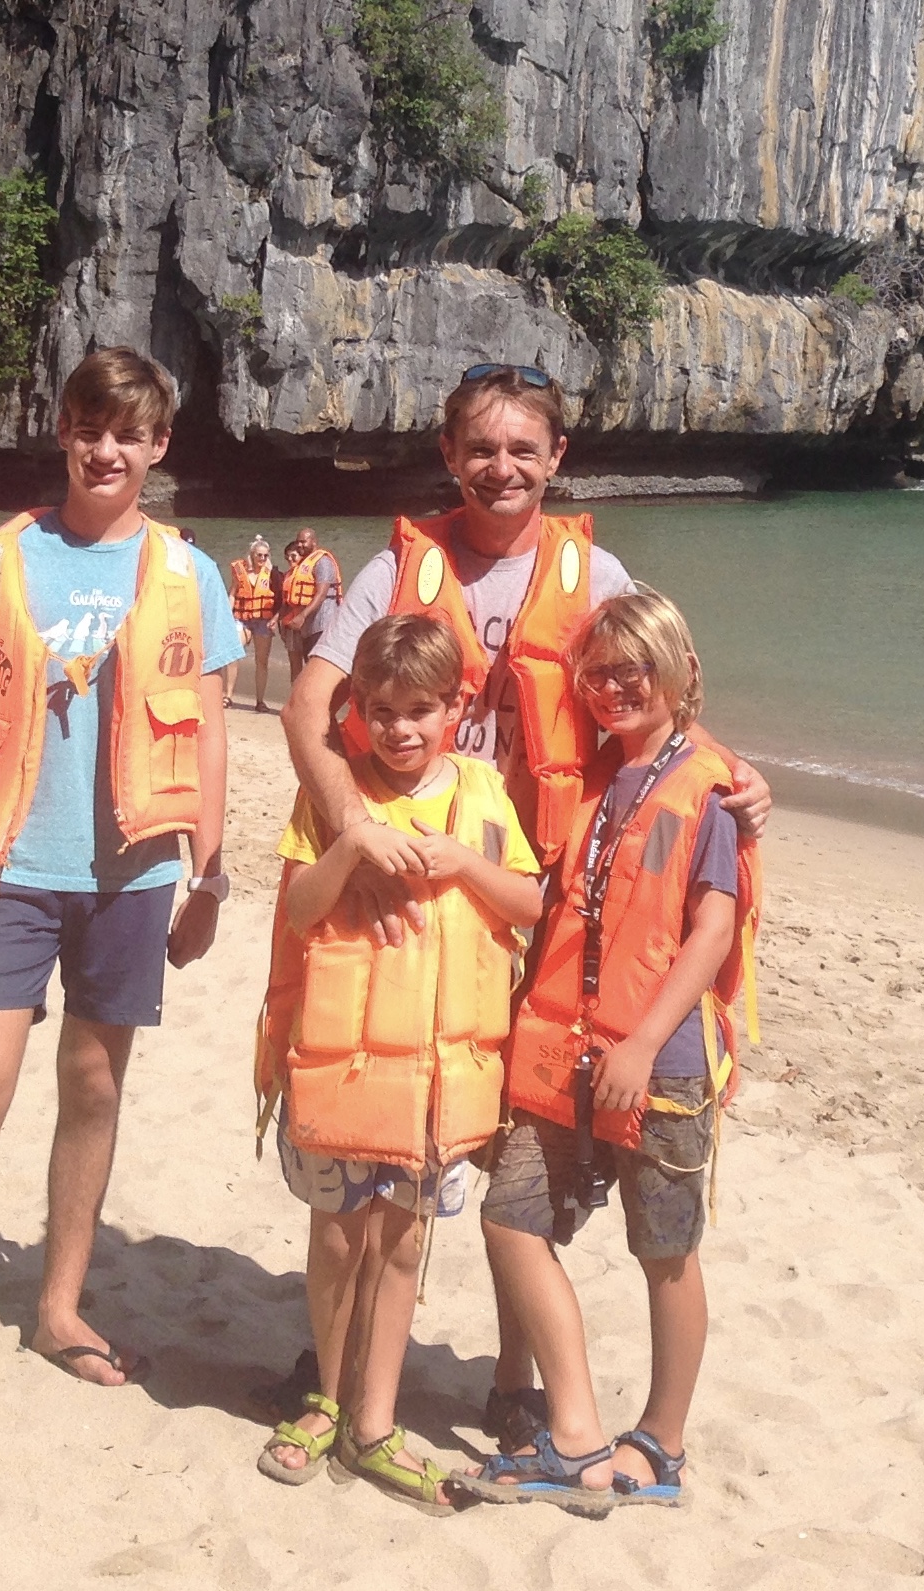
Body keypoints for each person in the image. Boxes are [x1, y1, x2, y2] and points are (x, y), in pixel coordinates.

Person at [281, 362, 772, 1455]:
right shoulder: (397, 567)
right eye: (480, 448)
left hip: (542, 897)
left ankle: (511, 1380)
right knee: (381, 1119)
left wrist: (736, 779)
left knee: (513, 1144)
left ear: (556, 459)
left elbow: (654, 694)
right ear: (449, 456)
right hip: (408, 878)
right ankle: (336, 1356)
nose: (500, 468)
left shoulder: (595, 573)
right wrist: (355, 828)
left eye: (521, 449)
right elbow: (308, 705)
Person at [0, 348, 242, 1417]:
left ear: (158, 446)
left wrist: (209, 877)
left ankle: (59, 1306)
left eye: (128, 434)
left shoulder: (189, 574)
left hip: (132, 870)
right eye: (89, 429)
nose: (105, 451)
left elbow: (208, 732)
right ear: (64, 434)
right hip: (7, 864)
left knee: (92, 1086)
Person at [454, 590, 759, 1513]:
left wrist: (642, 1041)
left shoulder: (708, 788)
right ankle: (579, 1431)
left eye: (634, 671)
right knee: (511, 1219)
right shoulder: (593, 775)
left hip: (657, 1059)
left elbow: (711, 930)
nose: (612, 688)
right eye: (596, 675)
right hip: (565, 1050)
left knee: (663, 1250)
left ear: (678, 671)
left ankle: (661, 1443)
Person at [253, 615, 541, 1512]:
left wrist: (461, 863)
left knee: (404, 1244)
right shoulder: (333, 796)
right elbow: (298, 910)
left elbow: (529, 902)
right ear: (357, 711)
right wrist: (350, 846)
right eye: (380, 711)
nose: (400, 729)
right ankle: (325, 1399)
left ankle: (373, 1421)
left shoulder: (484, 795)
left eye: (420, 710)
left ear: (457, 707)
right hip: (343, 1076)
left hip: (436, 1085)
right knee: (338, 1240)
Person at [278, 526, 341, 682]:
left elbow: (321, 594)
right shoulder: (303, 564)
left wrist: (302, 616)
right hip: (308, 626)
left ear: (314, 541)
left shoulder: (323, 562)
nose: (300, 545)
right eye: (298, 542)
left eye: (303, 541)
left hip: (322, 623)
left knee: (318, 669)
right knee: (309, 668)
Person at [226, 535, 280, 710]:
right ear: (252, 555)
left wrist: (276, 618)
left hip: (263, 620)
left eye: (265, 555)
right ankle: (228, 696)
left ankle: (260, 701)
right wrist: (228, 615)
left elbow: (279, 599)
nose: (262, 559)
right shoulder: (240, 571)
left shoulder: (272, 574)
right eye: (259, 555)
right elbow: (232, 593)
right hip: (242, 619)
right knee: (234, 653)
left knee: (261, 661)